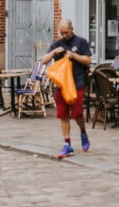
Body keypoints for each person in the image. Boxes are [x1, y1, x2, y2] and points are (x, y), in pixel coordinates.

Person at [40, 19, 93, 159]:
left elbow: (88, 60)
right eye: (62, 33)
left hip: (77, 83)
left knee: (77, 114)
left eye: (66, 32)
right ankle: (67, 144)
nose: (64, 35)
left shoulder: (81, 42)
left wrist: (73, 55)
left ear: (72, 29)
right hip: (62, 84)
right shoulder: (57, 44)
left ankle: (83, 132)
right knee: (63, 115)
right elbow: (44, 60)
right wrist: (54, 52)